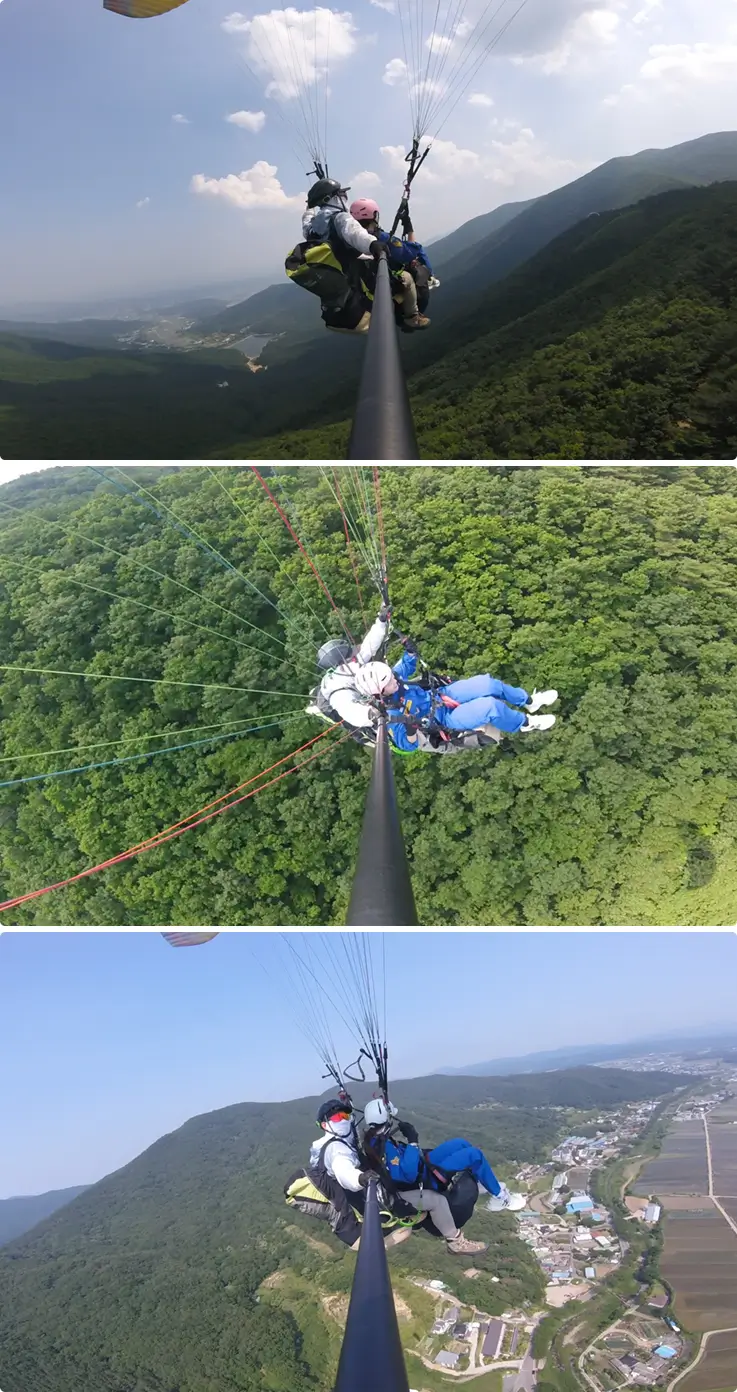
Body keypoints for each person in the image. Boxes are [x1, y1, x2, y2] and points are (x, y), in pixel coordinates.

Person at [309, 609, 558, 753]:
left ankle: (530, 700)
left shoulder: (383, 676)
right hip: (442, 720)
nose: (395, 680)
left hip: (439, 695)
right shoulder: (392, 712)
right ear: (381, 692)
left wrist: (409, 652)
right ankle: (526, 723)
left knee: (489, 684)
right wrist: (404, 726)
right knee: (490, 708)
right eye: (391, 682)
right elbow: (406, 746)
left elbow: (399, 666)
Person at [362, 1099, 517, 1255]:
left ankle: (484, 1182)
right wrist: (413, 1142)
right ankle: (458, 1239)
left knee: (460, 1144)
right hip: (415, 1181)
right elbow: (408, 1175)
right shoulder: (381, 1146)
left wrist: (414, 1149)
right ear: (386, 1118)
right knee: (473, 1156)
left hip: (418, 1166)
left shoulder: (379, 1138)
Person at [285, 177, 382, 334]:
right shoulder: (341, 217)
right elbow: (354, 233)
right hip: (355, 284)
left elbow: (306, 223)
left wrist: (309, 208)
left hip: (336, 297)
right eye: (341, 194)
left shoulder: (314, 226)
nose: (344, 198)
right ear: (332, 198)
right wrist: (372, 244)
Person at [350, 197, 432, 332]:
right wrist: (409, 228)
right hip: (381, 283)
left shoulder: (351, 238)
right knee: (410, 275)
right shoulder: (381, 239)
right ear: (374, 215)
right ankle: (412, 316)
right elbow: (409, 253)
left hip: (363, 287)